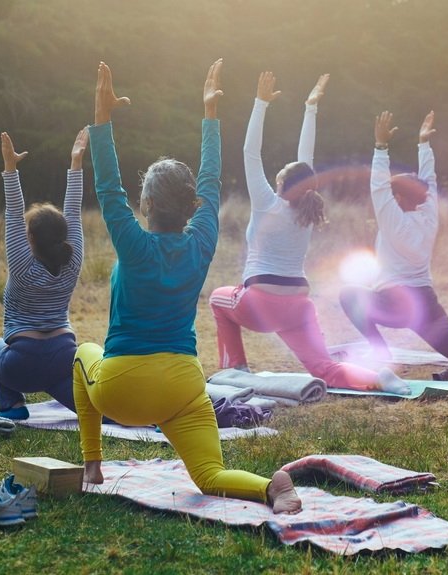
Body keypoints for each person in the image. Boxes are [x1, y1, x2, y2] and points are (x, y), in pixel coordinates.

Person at [73, 60, 301, 514]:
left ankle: (92, 464)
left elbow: (107, 187)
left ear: (149, 204)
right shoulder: (201, 243)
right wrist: (210, 118)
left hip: (123, 390)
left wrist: (102, 121)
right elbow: (212, 184)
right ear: (191, 204)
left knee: (82, 351)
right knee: (209, 476)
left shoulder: (134, 244)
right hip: (183, 385)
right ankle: (270, 487)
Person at [208, 72, 410, 394]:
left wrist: (260, 103)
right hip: (299, 306)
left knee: (218, 299)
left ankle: (236, 369)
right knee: (324, 368)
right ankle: (380, 378)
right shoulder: (306, 211)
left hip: (259, 304)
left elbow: (250, 152)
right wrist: (310, 108)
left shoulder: (267, 203)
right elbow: (307, 161)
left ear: (280, 183)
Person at [339, 110, 448, 362]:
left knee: (348, 294)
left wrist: (381, 146)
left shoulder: (393, 221)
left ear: (398, 198)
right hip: (426, 304)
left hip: (394, 304)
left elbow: (378, 187)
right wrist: (424, 144)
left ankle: (379, 350)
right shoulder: (429, 215)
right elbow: (429, 180)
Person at [0, 128, 88, 420]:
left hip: (22, 365)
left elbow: (14, 212)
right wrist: (76, 164)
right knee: (93, 408)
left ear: (29, 239)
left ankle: (13, 406)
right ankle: (120, 411)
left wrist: (10, 167)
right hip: (64, 358)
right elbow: (74, 211)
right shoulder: (73, 260)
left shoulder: (21, 266)